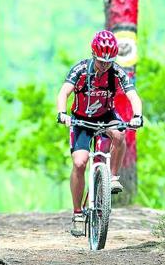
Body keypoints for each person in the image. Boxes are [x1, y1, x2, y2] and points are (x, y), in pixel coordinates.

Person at [56, 30, 143, 236]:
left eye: (109, 61)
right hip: (81, 119)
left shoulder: (116, 72)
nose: (104, 65)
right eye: (101, 61)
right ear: (93, 54)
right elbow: (64, 92)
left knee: (120, 134)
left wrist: (138, 115)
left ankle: (112, 177)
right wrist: (62, 113)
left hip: (106, 116)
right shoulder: (80, 69)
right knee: (79, 163)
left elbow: (133, 95)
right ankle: (78, 213)